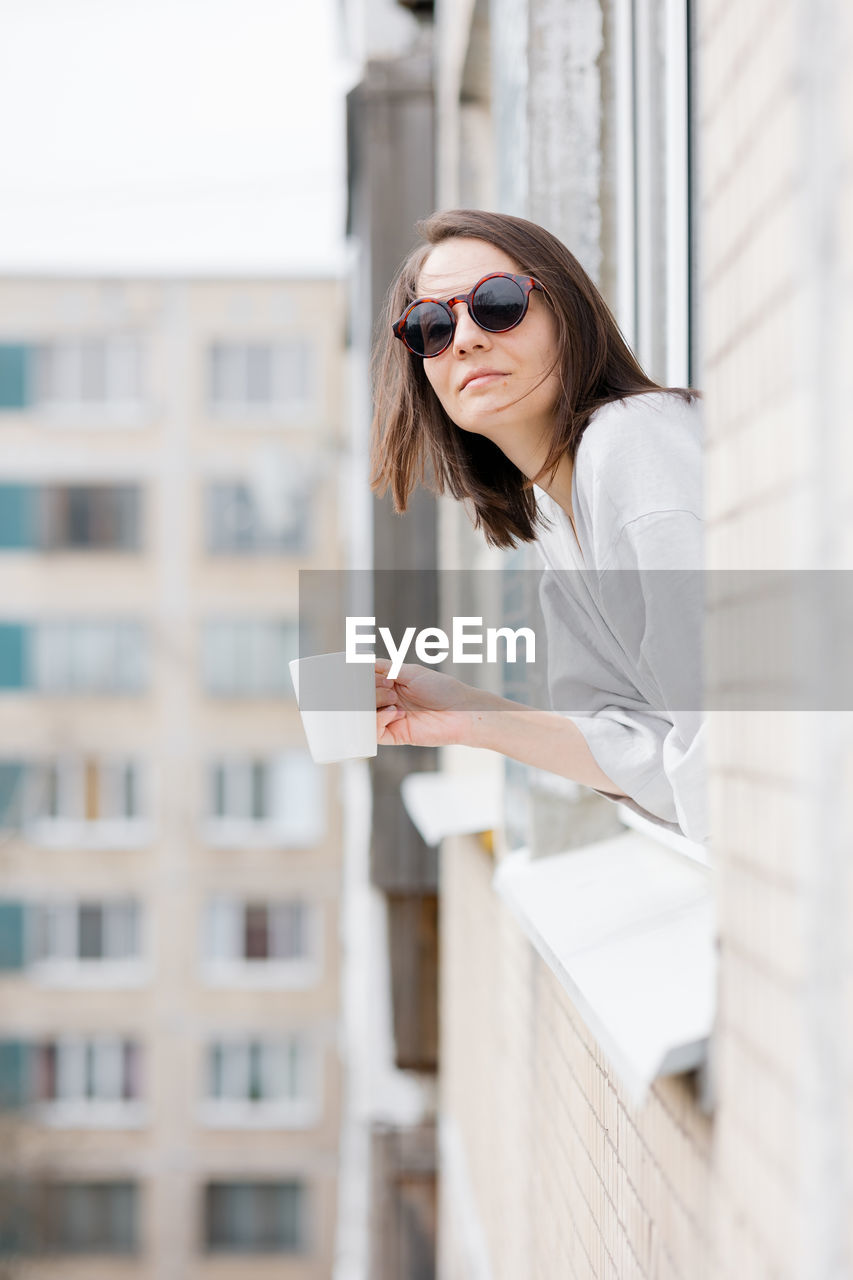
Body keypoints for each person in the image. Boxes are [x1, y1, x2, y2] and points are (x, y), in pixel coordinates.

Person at [370, 209, 707, 845]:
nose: (464, 338)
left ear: (568, 313)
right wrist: (465, 715)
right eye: (431, 325)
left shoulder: (632, 445)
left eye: (497, 304)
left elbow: (734, 746)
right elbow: (646, 756)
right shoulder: (558, 511)